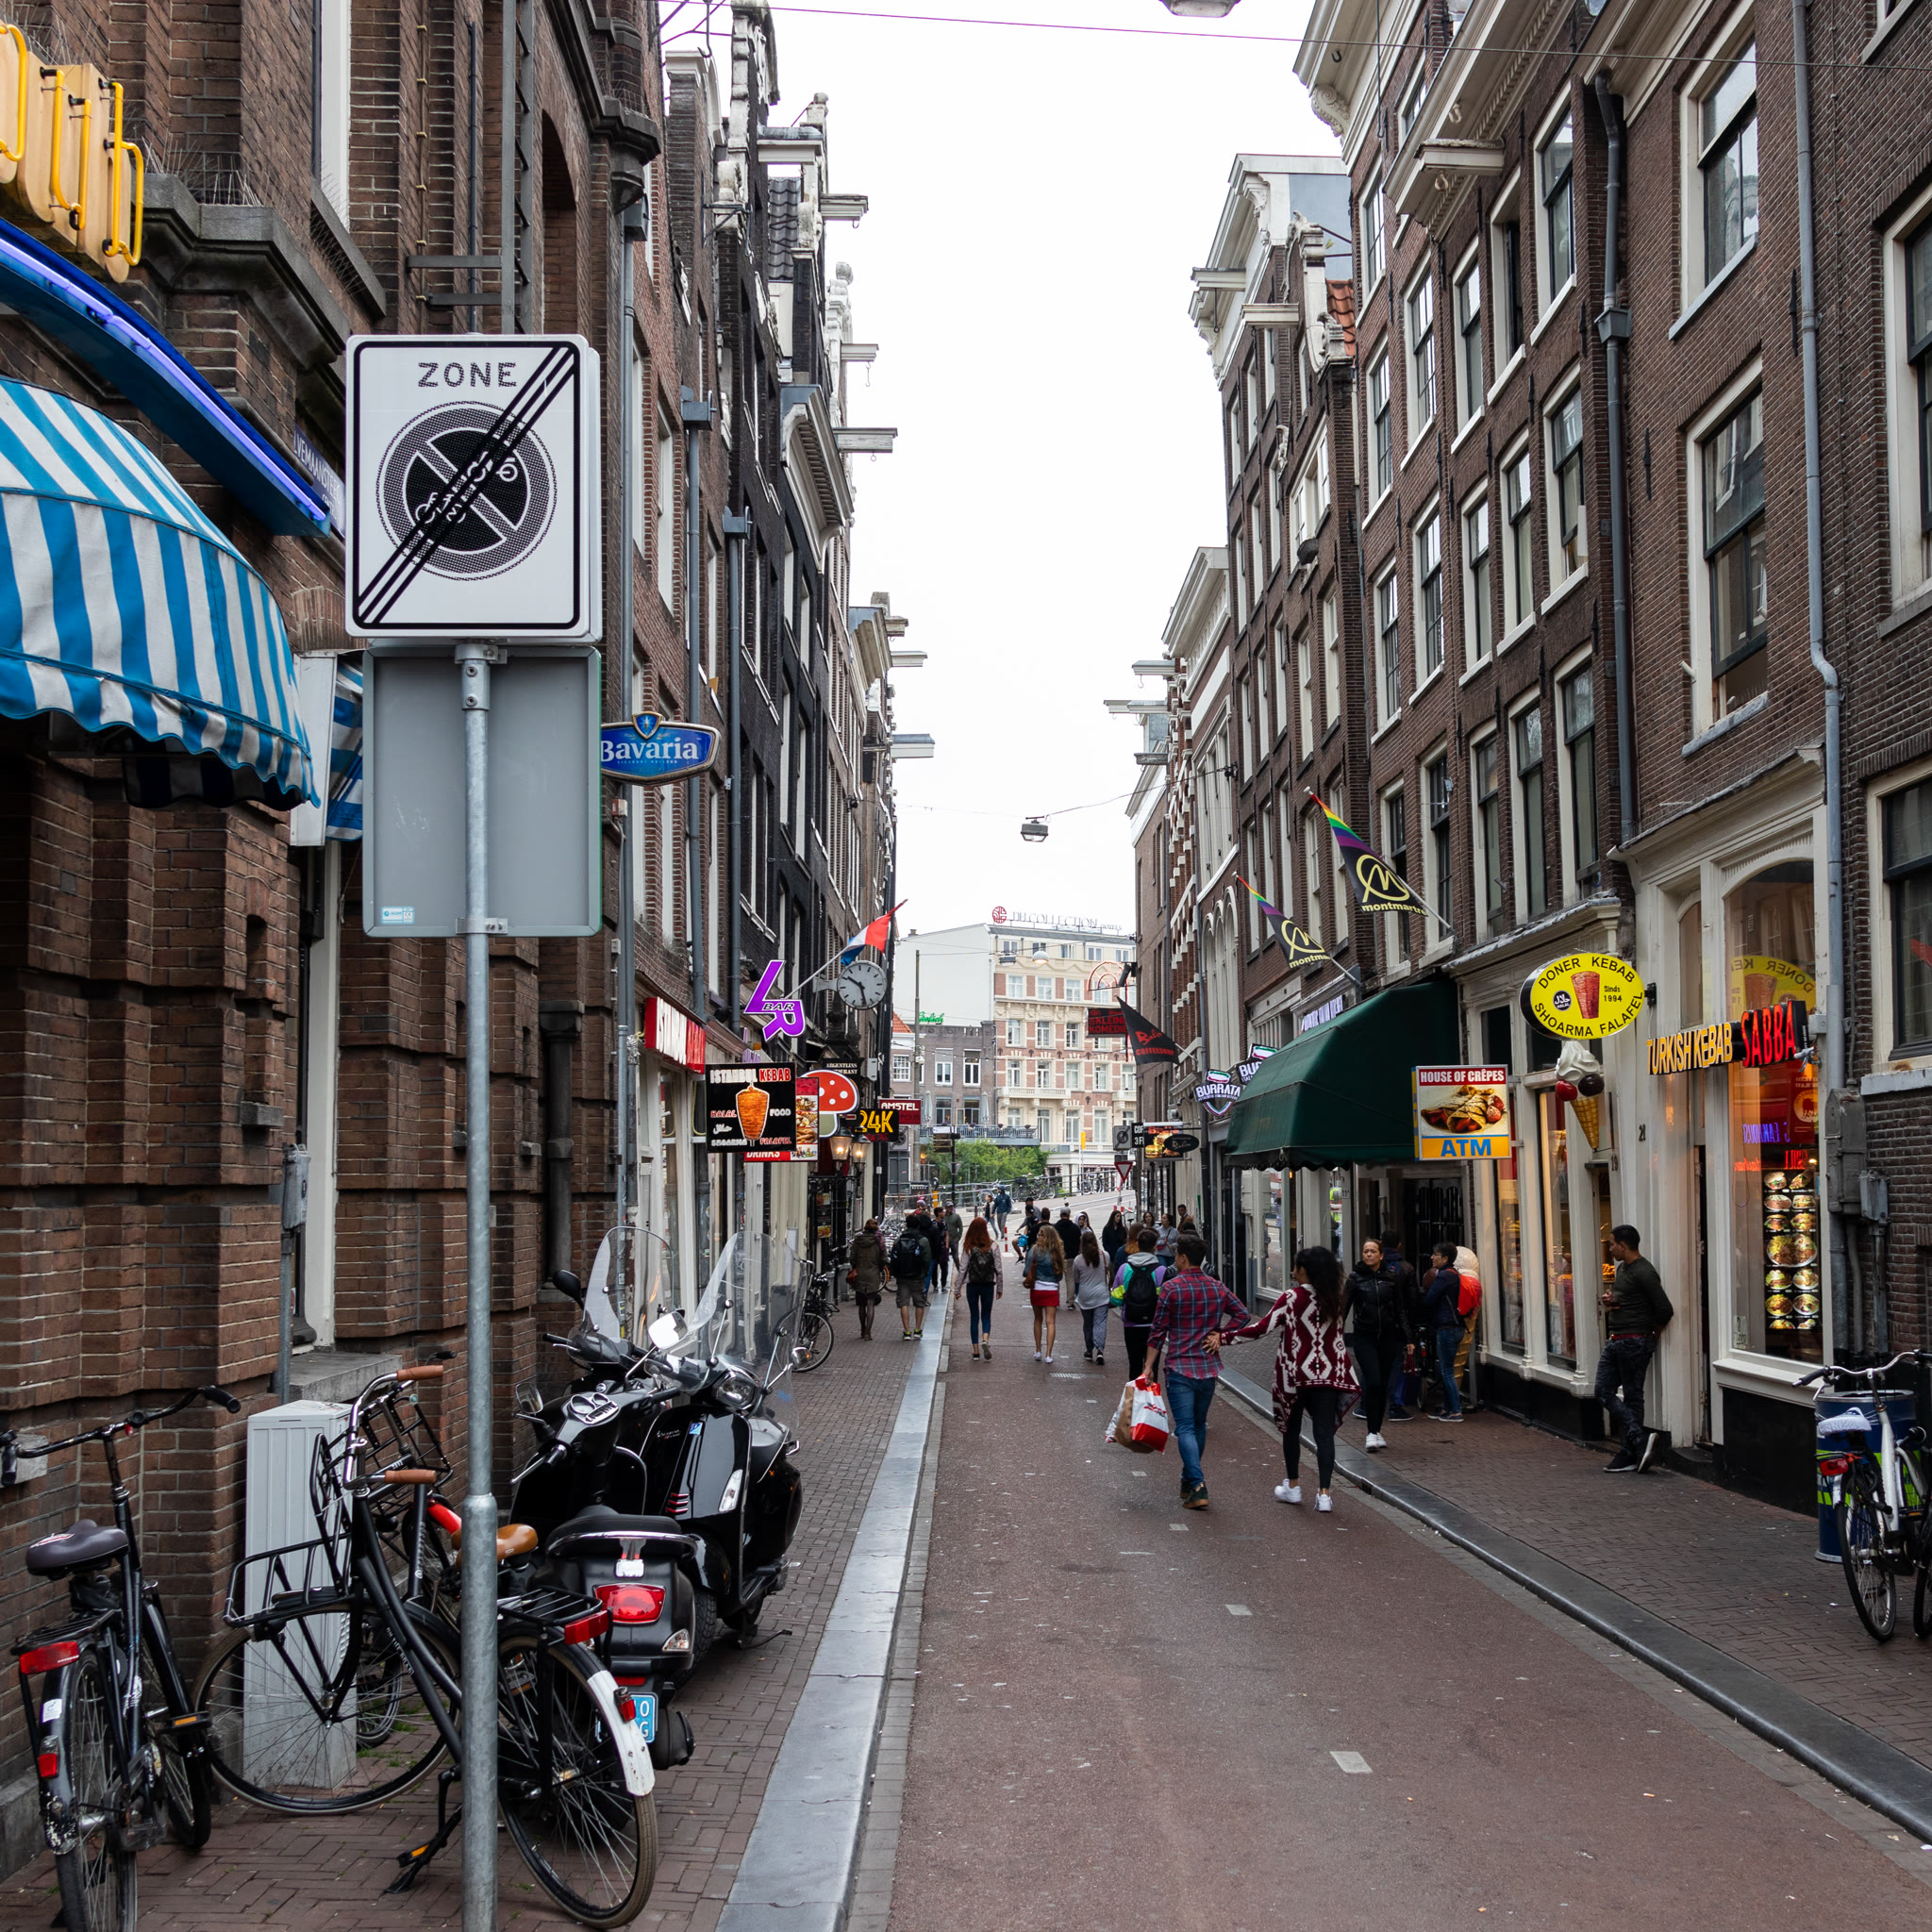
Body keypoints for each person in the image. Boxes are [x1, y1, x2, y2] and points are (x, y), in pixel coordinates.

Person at [1225, 1245, 1359, 1512]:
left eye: (1296, 1267)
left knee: (1291, 1428)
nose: (1293, 1272)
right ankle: (1324, 1494)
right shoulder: (1335, 1299)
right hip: (1328, 1375)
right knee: (1324, 1433)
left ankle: (1294, 1486)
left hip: (1295, 1375)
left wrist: (1224, 1338)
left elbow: (1261, 1328)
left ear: (1304, 1270)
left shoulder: (1291, 1297)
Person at [1143, 1232, 1250, 1509]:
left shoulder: (1171, 1288)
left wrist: (1148, 1367)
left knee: (1185, 1427)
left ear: (1182, 1257)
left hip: (1179, 1366)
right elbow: (1243, 1315)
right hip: (1208, 1367)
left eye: (1177, 1255)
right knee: (1199, 1425)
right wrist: (1221, 1335)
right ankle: (1188, 1480)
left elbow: (1158, 1331)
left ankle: (1198, 1483)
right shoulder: (1217, 1287)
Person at [1599, 1224, 1673, 1472]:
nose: (1610, 1249)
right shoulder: (1623, 1269)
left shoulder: (1644, 1271)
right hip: (1617, 1338)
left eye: (1612, 1244)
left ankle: (1629, 1454)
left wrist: (1650, 1336)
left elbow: (1664, 1309)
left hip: (1634, 1341)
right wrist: (1613, 1301)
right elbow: (1630, 1301)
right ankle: (1640, 1442)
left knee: (1632, 1396)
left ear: (1623, 1245)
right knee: (1603, 1390)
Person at [1343, 1237, 1412, 1451]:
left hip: (1388, 1338)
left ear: (1381, 1255)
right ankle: (1371, 1433)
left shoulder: (1391, 1278)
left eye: (1373, 1251)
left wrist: (1408, 1338)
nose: (1368, 1254)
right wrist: (1335, 1335)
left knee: (1382, 1385)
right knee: (1373, 1381)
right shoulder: (1355, 1278)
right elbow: (1343, 1309)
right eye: (1366, 1251)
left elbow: (1400, 1309)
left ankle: (1376, 1430)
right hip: (1364, 1337)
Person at [1418, 1241, 1470, 1423]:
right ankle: (1447, 1408)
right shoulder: (1454, 1273)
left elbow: (1430, 1299)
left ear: (1445, 1258)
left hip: (1447, 1327)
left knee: (1447, 1371)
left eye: (1436, 1255)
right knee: (1448, 1369)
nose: (1432, 1257)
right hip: (1457, 1326)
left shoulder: (1444, 1276)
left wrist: (1422, 1300)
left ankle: (1455, 1411)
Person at [1110, 1231, 1166, 1378]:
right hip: (1153, 1325)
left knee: (1134, 1365)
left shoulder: (1124, 1269)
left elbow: (1116, 1300)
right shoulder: (1161, 1271)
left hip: (1131, 1323)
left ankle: (1135, 1392)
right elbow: (1165, 1301)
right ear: (1154, 1247)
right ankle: (1151, 1392)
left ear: (1137, 1245)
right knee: (1152, 1367)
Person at [959, 1216, 1002, 1358]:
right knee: (986, 1315)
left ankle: (976, 1351)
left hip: (972, 1284)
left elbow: (963, 1269)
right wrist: (1000, 1288)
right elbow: (999, 1269)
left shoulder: (968, 1247)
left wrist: (957, 1289)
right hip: (988, 1284)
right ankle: (985, 1339)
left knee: (974, 1316)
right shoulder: (993, 1246)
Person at [1070, 1230, 1113, 1366]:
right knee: (1100, 1322)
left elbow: (1076, 1278)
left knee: (1088, 1323)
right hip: (1101, 1295)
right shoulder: (1105, 1256)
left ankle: (1089, 1350)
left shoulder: (1078, 1260)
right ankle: (1100, 1350)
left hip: (1085, 1296)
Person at [1024, 1220, 1064, 1361]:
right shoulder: (1056, 1253)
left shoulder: (1034, 1251)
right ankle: (1048, 1354)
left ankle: (1038, 1351)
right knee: (1050, 1322)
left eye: (1040, 1235)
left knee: (1037, 1319)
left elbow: (1026, 1271)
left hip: (1037, 1288)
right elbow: (1060, 1276)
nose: (1038, 1237)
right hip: (1051, 1289)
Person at [888, 1217, 932, 1341]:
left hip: (902, 1276)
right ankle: (917, 1330)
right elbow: (927, 1259)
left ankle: (907, 1332)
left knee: (904, 1303)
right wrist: (924, 1273)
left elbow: (893, 1258)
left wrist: (896, 1273)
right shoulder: (923, 1240)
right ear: (918, 1226)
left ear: (906, 1225)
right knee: (919, 1303)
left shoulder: (898, 1240)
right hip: (917, 1276)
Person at [847, 1218, 887, 1340]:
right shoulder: (879, 1240)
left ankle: (862, 1329)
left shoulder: (858, 1240)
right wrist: (879, 1268)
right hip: (873, 1274)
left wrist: (856, 1267)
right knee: (870, 1303)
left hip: (860, 1273)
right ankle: (868, 1332)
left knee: (861, 1304)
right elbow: (884, 1258)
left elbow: (852, 1257)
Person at [1053, 1207, 1081, 1282]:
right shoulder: (1075, 1228)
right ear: (1069, 1215)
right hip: (1071, 1256)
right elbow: (1079, 1243)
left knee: (1055, 1279)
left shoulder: (1055, 1228)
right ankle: (1071, 1291)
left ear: (1060, 1215)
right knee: (1070, 1279)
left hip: (1058, 1256)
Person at [1101, 1208, 1127, 1277]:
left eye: (1120, 1216)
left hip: (1120, 1255)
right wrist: (1109, 1252)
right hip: (1111, 1256)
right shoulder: (1107, 1228)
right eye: (1117, 1216)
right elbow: (1105, 1242)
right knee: (1113, 1274)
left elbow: (1124, 1241)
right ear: (1113, 1217)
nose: (1119, 1218)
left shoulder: (1122, 1229)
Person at [943, 1202, 964, 1286]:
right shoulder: (943, 1217)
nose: (950, 1208)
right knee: (945, 1258)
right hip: (945, 1241)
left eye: (951, 1206)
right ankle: (945, 1276)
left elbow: (961, 1227)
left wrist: (958, 1237)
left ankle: (960, 1273)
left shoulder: (956, 1216)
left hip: (954, 1240)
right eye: (949, 1207)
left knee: (956, 1257)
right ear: (946, 1207)